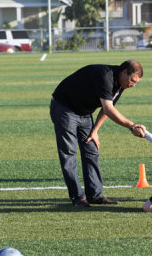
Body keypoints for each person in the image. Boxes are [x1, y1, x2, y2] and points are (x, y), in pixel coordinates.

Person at [50, 60, 145, 207]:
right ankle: (78, 198)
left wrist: (94, 131)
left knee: (91, 150)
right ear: (124, 72)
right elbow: (108, 108)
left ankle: (95, 195)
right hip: (65, 108)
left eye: (136, 83)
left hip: (85, 113)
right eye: (133, 80)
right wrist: (131, 126)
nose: (133, 85)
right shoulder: (105, 76)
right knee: (69, 154)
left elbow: (107, 108)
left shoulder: (121, 84)